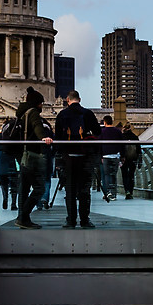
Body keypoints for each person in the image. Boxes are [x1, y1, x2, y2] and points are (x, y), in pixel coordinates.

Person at [54, 90, 102, 228]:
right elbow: (98, 132)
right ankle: (85, 220)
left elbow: (58, 137)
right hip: (85, 156)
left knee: (70, 190)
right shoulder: (88, 113)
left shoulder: (62, 115)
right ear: (79, 99)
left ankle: (71, 220)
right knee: (84, 189)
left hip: (68, 157)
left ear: (67, 100)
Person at [9, 87, 52, 227]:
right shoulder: (32, 112)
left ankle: (23, 219)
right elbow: (37, 126)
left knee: (25, 188)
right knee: (40, 188)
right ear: (36, 103)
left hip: (22, 155)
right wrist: (44, 137)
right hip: (32, 155)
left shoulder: (20, 113)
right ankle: (23, 216)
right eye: (41, 103)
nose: (41, 106)